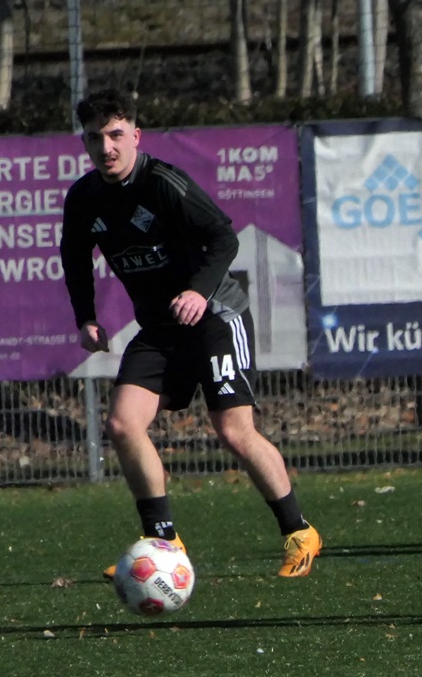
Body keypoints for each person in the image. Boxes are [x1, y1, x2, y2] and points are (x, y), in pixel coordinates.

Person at [60, 89, 322, 580]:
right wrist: (85, 317)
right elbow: (74, 259)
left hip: (216, 316)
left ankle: (299, 532)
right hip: (161, 328)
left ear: (135, 136)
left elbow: (223, 235)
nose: (106, 147)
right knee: (122, 424)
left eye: (116, 135)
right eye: (95, 138)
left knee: (233, 431)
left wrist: (199, 292)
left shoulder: (163, 182)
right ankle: (163, 543)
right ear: (85, 143)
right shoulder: (84, 198)